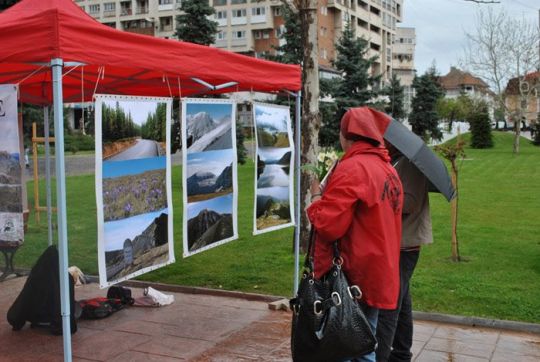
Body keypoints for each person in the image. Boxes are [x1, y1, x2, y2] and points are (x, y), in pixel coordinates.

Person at [306, 107, 403, 362]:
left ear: (347, 135)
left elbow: (328, 225)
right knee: (363, 343)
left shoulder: (352, 168)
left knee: (342, 346)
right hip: (378, 270)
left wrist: (316, 197)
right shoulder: (388, 169)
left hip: (353, 275)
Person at [375, 144, 433, 362]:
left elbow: (410, 202)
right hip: (398, 243)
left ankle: (381, 357)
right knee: (403, 302)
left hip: (404, 245)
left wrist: (379, 196)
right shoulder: (398, 161)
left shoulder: (410, 165)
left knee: (389, 305)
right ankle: (400, 354)